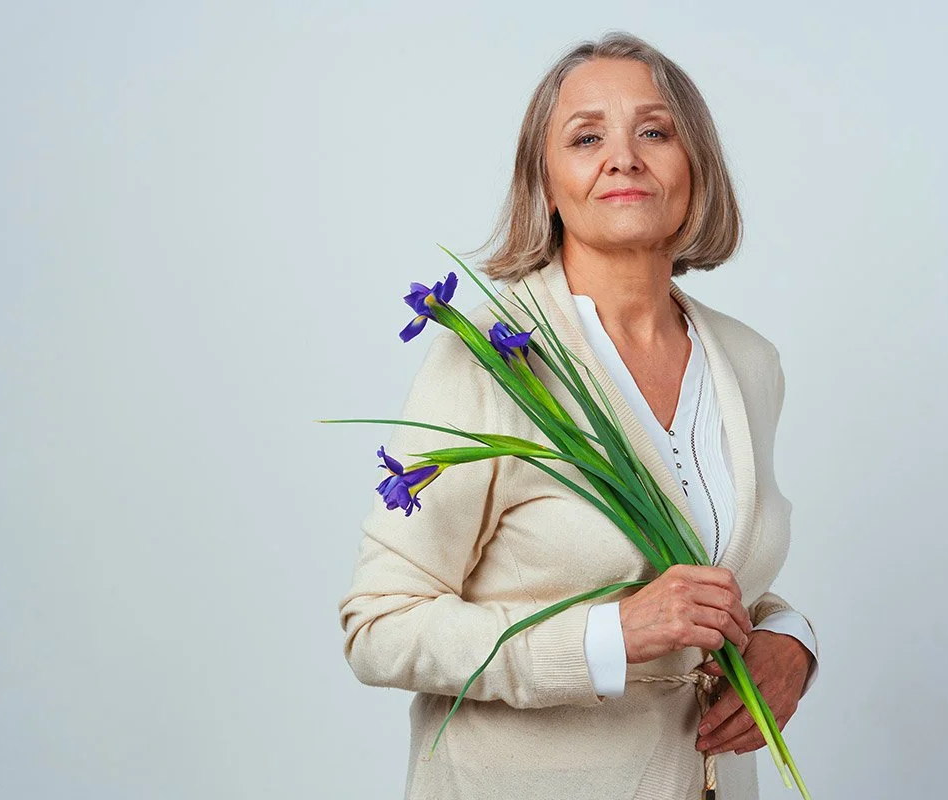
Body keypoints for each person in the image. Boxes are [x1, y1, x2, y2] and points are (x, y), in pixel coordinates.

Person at [338, 31, 820, 800]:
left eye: (655, 132)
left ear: (696, 171)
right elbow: (380, 626)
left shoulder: (749, 363)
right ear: (548, 182)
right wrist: (606, 638)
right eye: (587, 136)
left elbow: (715, 573)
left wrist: (789, 641)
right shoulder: (493, 361)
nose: (623, 158)